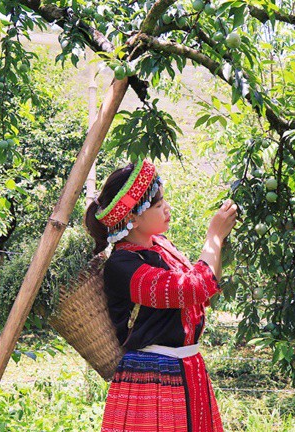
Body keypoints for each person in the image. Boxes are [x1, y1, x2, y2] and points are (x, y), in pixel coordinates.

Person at [83, 158, 237, 432]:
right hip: (153, 375)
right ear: (133, 217)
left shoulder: (162, 246)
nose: (166, 209)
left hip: (189, 367)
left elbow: (206, 292)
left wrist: (218, 241)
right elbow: (192, 289)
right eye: (157, 205)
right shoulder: (122, 266)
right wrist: (214, 236)